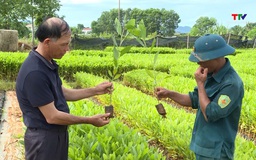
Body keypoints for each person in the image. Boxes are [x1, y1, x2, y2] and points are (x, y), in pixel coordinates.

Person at [16, 17, 113, 160]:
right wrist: (89, 120)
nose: (67, 49)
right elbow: (52, 116)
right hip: (43, 140)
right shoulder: (35, 72)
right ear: (48, 42)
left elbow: (62, 92)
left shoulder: (46, 63)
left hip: (55, 135)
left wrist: (96, 90)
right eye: (64, 45)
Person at [156, 34, 244, 160]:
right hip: (203, 146)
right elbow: (195, 99)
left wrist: (201, 84)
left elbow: (210, 114)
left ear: (216, 57)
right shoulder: (211, 74)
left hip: (216, 152)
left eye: (202, 59)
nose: (198, 62)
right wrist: (168, 93)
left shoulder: (232, 84)